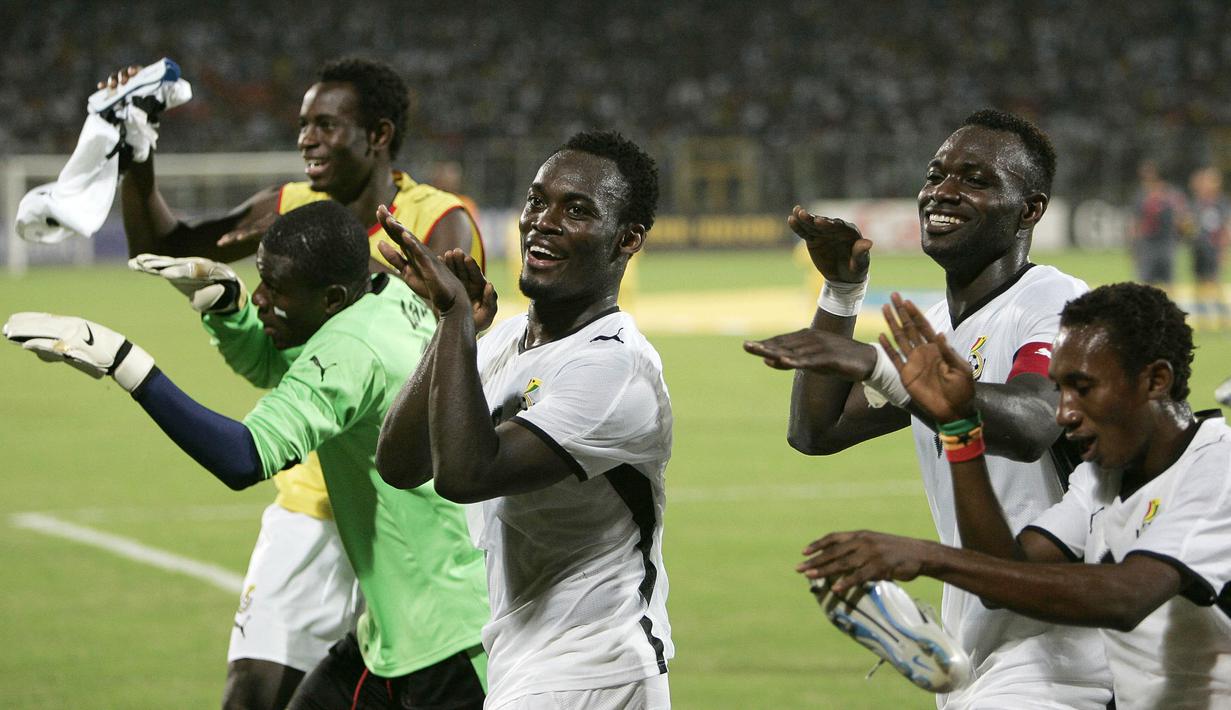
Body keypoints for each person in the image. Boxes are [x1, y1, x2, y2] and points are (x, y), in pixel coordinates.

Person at [99, 55, 485, 708]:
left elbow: (438, 348)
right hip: (311, 494)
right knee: (251, 696)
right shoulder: (291, 207)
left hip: (406, 503)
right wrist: (136, 150)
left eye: (325, 125)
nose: (305, 138)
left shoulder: (436, 221)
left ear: (378, 135)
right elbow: (162, 242)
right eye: (302, 125)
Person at [5, 201, 490, 709]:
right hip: (406, 629)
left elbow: (243, 458)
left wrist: (124, 362)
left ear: (330, 298)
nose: (260, 298)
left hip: (446, 648)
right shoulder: (386, 297)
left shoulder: (351, 349)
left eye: (274, 290)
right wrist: (227, 311)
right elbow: (277, 362)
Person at [744, 109, 1113, 708]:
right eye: (936, 173)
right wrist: (840, 292)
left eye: (976, 179)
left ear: (1031, 210)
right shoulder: (942, 329)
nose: (942, 190)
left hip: (1062, 660)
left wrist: (880, 367)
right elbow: (817, 431)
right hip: (977, 652)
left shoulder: (1055, 302)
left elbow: (1031, 423)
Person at [799, 284, 1231, 709]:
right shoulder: (1101, 483)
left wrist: (928, 557)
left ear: (1155, 380)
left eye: (1082, 387)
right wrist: (959, 428)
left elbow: (1124, 598)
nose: (1064, 413)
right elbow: (1003, 577)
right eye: (1060, 390)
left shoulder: (1216, 469)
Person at [374, 130, 674, 709]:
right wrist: (450, 327)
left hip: (594, 668)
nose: (544, 220)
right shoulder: (507, 339)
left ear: (627, 239)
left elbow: (465, 475)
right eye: (537, 201)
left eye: (577, 210)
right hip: (529, 659)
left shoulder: (616, 368)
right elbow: (399, 463)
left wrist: (459, 318)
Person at [1131, 160, 1187, 291]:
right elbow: (1135, 223)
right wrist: (1134, 247)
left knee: (1168, 284)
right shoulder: (1141, 195)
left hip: (1166, 243)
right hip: (1147, 245)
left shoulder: (1171, 195)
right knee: (1145, 285)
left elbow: (1183, 220)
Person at [1187, 166, 1230, 330]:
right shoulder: (1197, 203)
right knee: (1199, 281)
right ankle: (1202, 317)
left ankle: (1223, 316)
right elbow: (1190, 225)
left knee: (1214, 281)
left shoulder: (1221, 202)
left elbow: (1225, 227)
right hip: (1199, 248)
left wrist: (1223, 250)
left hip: (1213, 248)